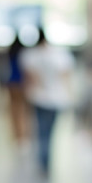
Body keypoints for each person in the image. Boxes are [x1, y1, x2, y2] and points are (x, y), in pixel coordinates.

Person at [19, 28, 74, 175]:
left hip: (38, 98)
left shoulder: (31, 56)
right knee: (50, 132)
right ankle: (46, 162)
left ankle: (43, 162)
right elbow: (66, 76)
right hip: (56, 99)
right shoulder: (60, 55)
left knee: (41, 131)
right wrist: (68, 95)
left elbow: (30, 78)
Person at [4, 36, 30, 144]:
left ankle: (17, 134)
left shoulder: (10, 54)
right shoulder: (24, 54)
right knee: (24, 110)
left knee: (14, 109)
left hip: (11, 83)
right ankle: (23, 134)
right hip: (21, 83)